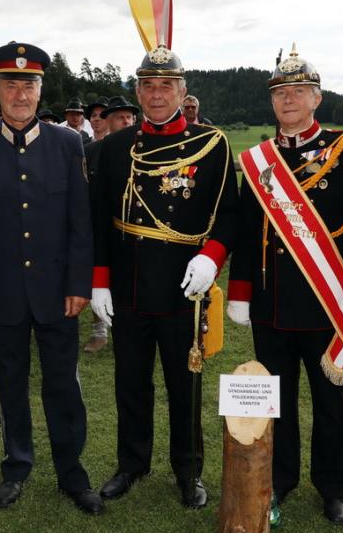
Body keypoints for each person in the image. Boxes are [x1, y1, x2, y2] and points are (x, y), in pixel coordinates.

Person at [227, 45, 343, 524]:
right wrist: (241, 293)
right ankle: (279, 481)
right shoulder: (256, 162)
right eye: (280, 93)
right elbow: (246, 232)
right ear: (272, 103)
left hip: (325, 302)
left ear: (317, 98)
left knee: (331, 400)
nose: (288, 99)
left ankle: (334, 486)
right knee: (277, 400)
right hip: (271, 304)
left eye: (298, 91)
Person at [0, 41, 102, 515]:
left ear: (41, 92)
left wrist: (80, 284)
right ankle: (15, 467)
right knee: (10, 382)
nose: (21, 94)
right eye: (12, 84)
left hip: (58, 292)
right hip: (0, 293)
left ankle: (71, 473)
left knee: (63, 384)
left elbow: (81, 222)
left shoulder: (67, 142)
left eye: (30, 85)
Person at [90, 46, 239, 508]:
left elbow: (229, 214)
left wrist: (212, 257)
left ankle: (188, 469)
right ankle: (131, 464)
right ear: (137, 92)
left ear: (182, 91)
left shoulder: (212, 144)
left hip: (184, 285)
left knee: (185, 381)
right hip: (129, 283)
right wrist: (98, 280)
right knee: (130, 381)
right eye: (148, 86)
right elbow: (98, 219)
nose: (156, 95)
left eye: (166, 86)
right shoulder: (114, 147)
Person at [82, 95, 139, 354]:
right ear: (107, 121)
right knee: (99, 279)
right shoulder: (91, 152)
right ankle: (99, 332)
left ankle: (130, 331)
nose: (126, 121)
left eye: (129, 116)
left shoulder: (145, 150)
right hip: (99, 226)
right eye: (119, 117)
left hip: (136, 230)